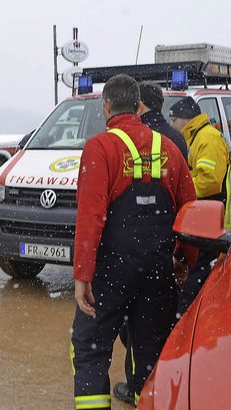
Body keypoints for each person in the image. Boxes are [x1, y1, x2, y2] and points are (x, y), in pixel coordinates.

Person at [71, 74, 197, 409]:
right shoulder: (169, 148)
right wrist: (184, 260)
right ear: (138, 105)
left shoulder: (100, 148)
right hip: (157, 272)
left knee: (89, 350)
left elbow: (90, 217)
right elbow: (190, 209)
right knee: (152, 357)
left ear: (106, 106)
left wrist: (82, 275)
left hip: (110, 275)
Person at [112, 81, 190, 405]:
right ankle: (161, 384)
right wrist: (185, 257)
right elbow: (187, 199)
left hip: (130, 255)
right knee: (157, 326)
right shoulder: (176, 139)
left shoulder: (127, 142)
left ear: (139, 106)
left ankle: (139, 388)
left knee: (132, 329)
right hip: (165, 253)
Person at [169, 96, 229, 315]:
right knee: (198, 273)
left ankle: (190, 320)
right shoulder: (195, 137)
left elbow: (210, 181)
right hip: (203, 217)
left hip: (212, 219)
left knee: (199, 278)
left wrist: (180, 188)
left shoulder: (208, 138)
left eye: (173, 119)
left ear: (185, 120)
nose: (171, 124)